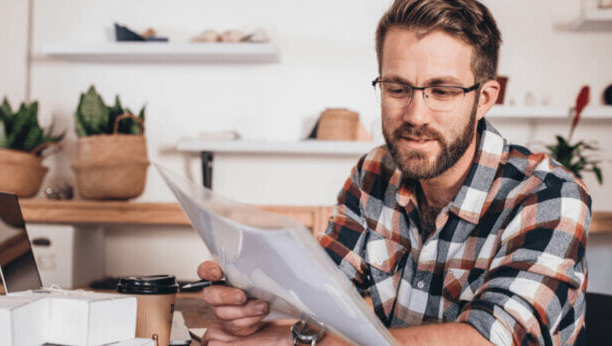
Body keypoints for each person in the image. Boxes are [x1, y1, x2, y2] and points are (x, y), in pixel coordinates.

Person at [197, 0, 591, 344]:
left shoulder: (550, 196)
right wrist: (252, 304)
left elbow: (490, 340)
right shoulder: (374, 173)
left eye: (443, 91)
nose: (415, 116)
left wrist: (293, 342)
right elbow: (319, 295)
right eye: (397, 88)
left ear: (485, 98)